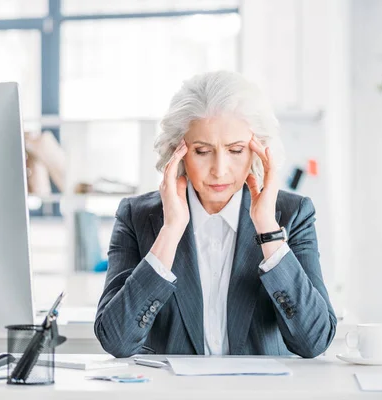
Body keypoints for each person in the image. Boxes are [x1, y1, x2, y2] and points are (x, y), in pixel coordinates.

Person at [94, 71, 337, 358]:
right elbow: (116, 341)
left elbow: (314, 342)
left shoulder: (293, 215)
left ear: (257, 152)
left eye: (235, 150)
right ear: (178, 153)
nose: (219, 170)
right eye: (202, 151)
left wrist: (268, 231)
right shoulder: (135, 216)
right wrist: (170, 231)